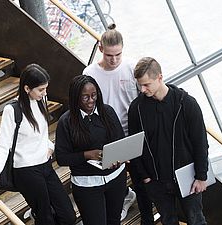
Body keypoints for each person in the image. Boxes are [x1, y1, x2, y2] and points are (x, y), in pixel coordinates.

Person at [0, 64, 76, 225]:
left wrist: (49, 147)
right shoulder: (12, 110)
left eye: (45, 88)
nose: (45, 93)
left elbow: (41, 133)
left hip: (45, 165)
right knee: (46, 219)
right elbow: (2, 145)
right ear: (27, 88)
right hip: (25, 170)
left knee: (68, 216)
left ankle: (36, 213)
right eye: (41, 89)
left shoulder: (41, 100)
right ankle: (38, 214)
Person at [83, 23, 154, 224]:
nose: (113, 60)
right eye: (109, 55)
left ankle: (145, 214)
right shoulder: (90, 72)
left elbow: (144, 99)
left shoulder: (131, 68)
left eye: (118, 55)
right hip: (107, 134)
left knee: (141, 177)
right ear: (100, 50)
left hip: (132, 131)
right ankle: (125, 197)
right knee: (114, 175)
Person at [128, 57, 209, 225]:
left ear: (160, 77)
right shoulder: (136, 109)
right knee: (168, 221)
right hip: (156, 182)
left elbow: (200, 142)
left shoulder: (186, 104)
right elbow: (135, 146)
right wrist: (145, 177)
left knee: (196, 220)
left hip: (188, 177)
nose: (142, 89)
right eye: (139, 85)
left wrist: (201, 176)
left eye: (146, 84)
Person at [55, 75, 126, 225]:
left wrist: (118, 158)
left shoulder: (107, 112)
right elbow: (62, 158)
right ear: (75, 98)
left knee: (114, 221)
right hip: (87, 185)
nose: (91, 100)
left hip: (116, 177)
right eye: (85, 97)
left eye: (94, 95)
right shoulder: (66, 122)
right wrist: (87, 155)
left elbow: (120, 140)